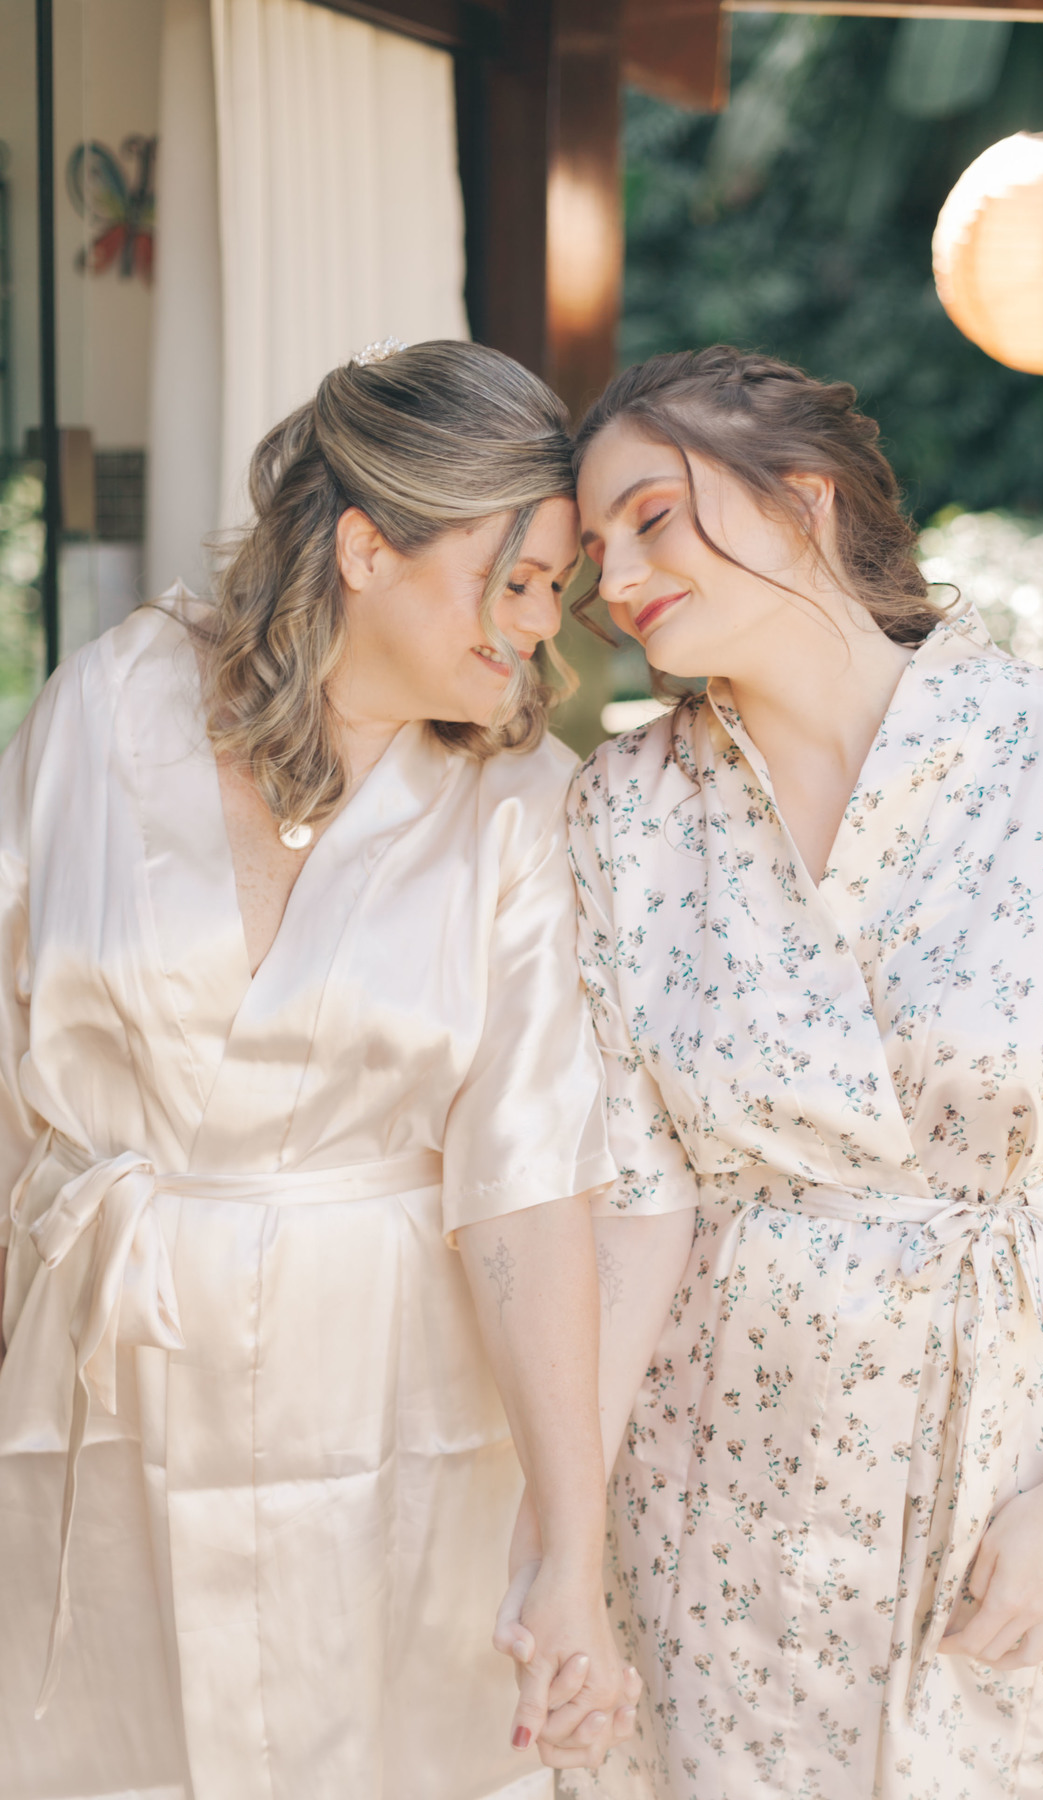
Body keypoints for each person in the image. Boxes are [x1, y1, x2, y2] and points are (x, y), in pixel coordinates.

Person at [548, 346, 1043, 1798]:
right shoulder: (624, 813)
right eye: (594, 549)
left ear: (804, 499)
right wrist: (563, 1545)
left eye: (652, 518)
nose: (619, 575)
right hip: (708, 1476)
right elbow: (638, 1203)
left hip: (998, 1462)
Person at [0, 339, 637, 1800]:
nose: (537, 628)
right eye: (514, 580)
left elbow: (531, 1190)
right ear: (365, 549)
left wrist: (570, 1549)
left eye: (556, 591)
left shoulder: (520, 805)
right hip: (102, 1383)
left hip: (389, 1409)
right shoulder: (107, 707)